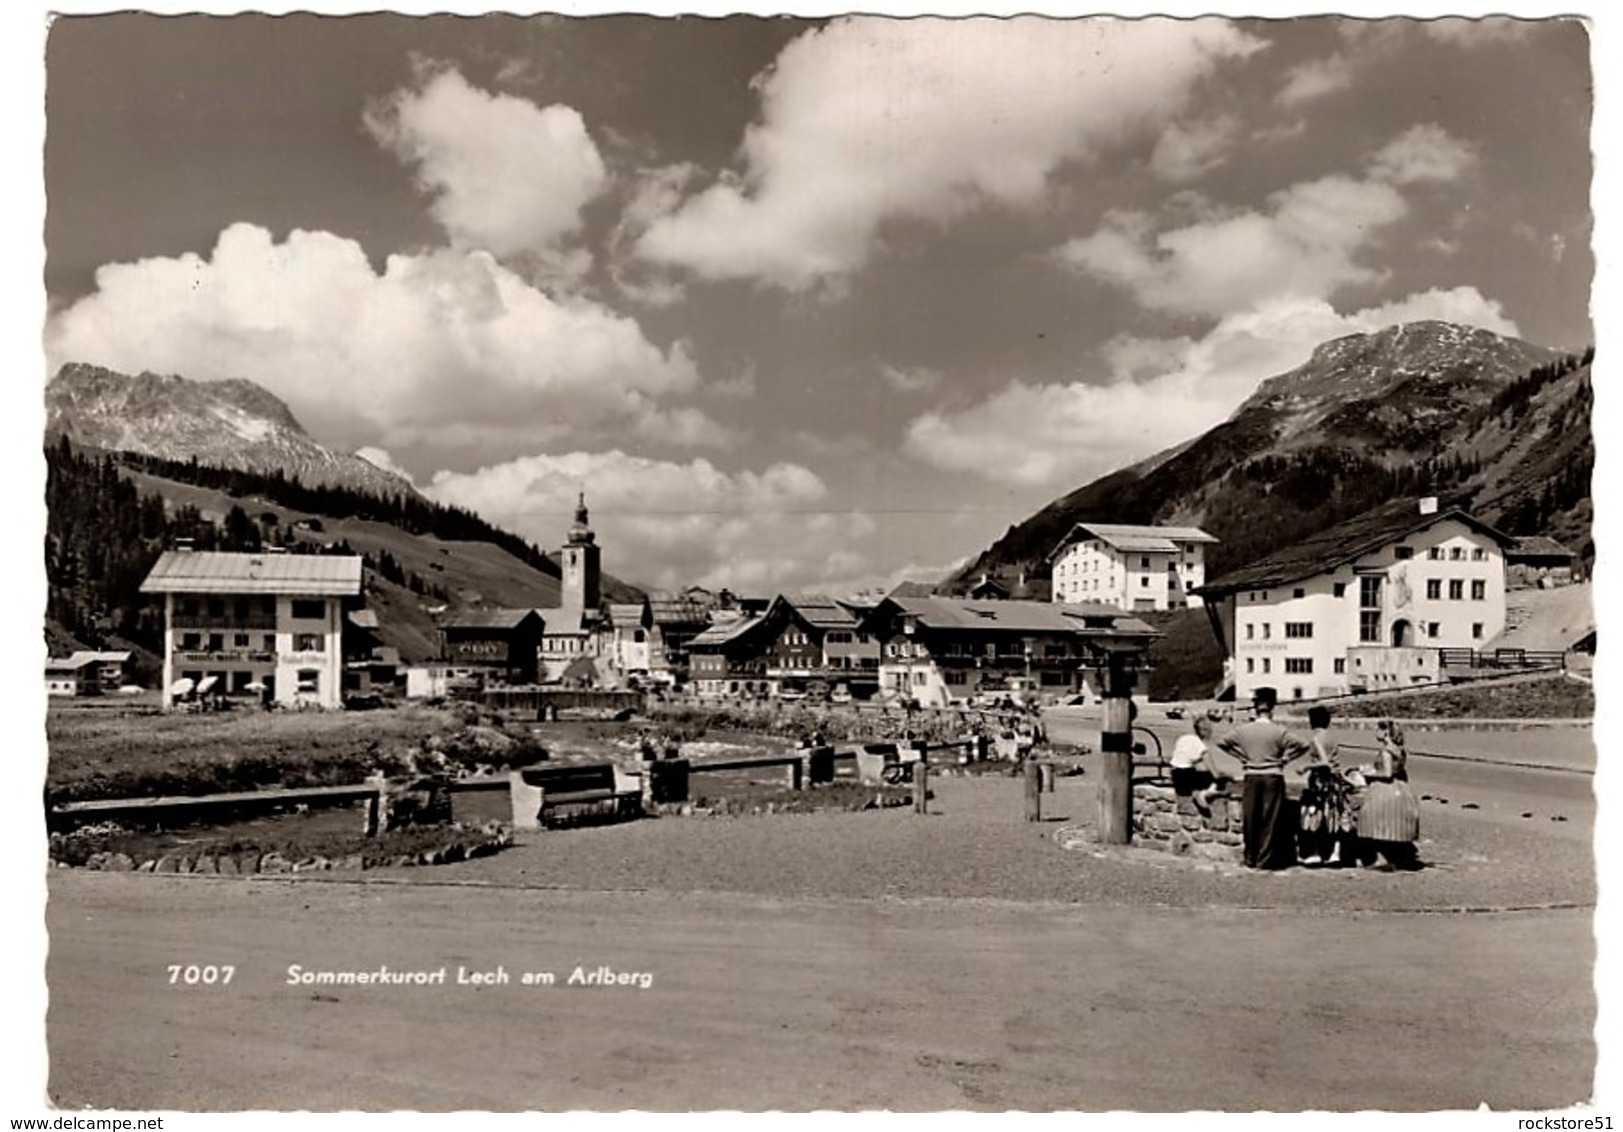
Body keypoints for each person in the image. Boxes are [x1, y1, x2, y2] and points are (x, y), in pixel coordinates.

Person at [1214, 687, 1313, 870]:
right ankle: (1263, 859)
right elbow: (1304, 745)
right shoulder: (1279, 731)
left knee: (1250, 817)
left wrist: (1241, 756)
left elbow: (1222, 743)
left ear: (1255, 707)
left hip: (1251, 773)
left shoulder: (1243, 730)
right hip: (1273, 775)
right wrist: (1286, 759)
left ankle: (1250, 857)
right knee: (1269, 819)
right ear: (1272, 707)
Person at [1356, 719, 1422, 870]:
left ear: (1385, 732)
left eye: (1377, 729)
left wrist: (1369, 774)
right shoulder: (1399, 750)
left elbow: (1387, 773)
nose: (1375, 732)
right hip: (1402, 789)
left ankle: (1379, 858)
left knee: (1372, 820)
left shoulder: (1386, 750)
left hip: (1386, 790)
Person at [1295, 705, 1356, 866]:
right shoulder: (1332, 738)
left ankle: (1315, 853)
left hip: (1320, 782)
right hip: (1335, 782)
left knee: (1315, 816)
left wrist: (1306, 767)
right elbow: (1335, 763)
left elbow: (1325, 763)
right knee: (1334, 817)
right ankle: (1335, 853)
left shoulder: (1316, 739)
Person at [1168, 714, 1226, 818]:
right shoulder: (1200, 745)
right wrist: (1218, 776)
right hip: (1186, 777)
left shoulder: (1184, 738)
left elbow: (1185, 759)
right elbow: (1209, 764)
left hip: (1175, 775)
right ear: (1205, 731)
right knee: (1216, 780)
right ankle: (1202, 795)